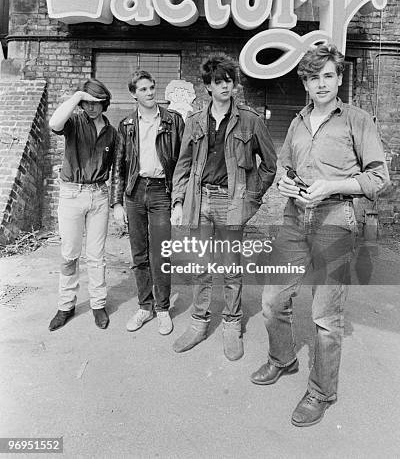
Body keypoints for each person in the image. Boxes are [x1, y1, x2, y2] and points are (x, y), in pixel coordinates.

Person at [250, 43, 390, 427]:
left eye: (329, 75)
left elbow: (379, 177)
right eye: (314, 77)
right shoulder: (297, 122)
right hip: (295, 219)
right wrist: (288, 186)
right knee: (272, 300)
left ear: (339, 79)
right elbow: (284, 168)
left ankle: (321, 392)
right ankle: (283, 359)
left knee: (326, 316)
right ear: (306, 84)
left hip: (335, 219)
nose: (322, 83)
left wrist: (331, 186)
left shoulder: (358, 120)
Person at [171, 54, 277, 360]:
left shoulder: (250, 120)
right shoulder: (194, 121)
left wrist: (250, 201)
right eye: (219, 81)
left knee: (230, 267)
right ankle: (199, 322)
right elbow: (183, 165)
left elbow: (269, 166)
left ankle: (232, 324)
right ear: (208, 86)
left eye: (229, 80)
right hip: (199, 199)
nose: (226, 87)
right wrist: (179, 200)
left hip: (231, 202)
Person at [111, 70, 184, 335]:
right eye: (143, 89)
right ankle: (145, 306)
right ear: (133, 94)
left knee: (161, 252)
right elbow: (119, 166)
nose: (150, 92)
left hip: (161, 191)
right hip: (134, 191)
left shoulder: (173, 121)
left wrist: (179, 200)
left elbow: (182, 164)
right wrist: (116, 203)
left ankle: (163, 308)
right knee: (139, 253)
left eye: (152, 87)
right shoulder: (127, 124)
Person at [48, 79, 116, 331]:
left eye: (96, 103)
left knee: (96, 256)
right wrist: (76, 95)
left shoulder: (112, 132)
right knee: (69, 254)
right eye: (86, 103)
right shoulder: (74, 122)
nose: (90, 108)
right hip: (72, 194)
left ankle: (98, 304)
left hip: (98, 195)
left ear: (104, 103)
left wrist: (115, 202)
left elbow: (114, 168)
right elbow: (54, 123)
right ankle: (66, 305)